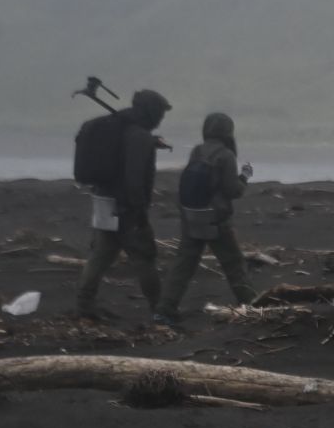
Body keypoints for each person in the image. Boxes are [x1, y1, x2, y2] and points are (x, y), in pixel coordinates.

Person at [75, 89, 171, 320]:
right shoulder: (138, 136)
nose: (161, 118)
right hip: (127, 208)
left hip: (103, 199)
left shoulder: (118, 127)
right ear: (152, 112)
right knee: (144, 258)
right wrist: (139, 213)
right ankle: (159, 310)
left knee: (101, 254)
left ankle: (84, 306)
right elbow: (134, 178)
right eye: (160, 113)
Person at [156, 112, 259, 323]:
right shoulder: (226, 155)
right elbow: (233, 190)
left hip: (191, 215)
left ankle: (164, 309)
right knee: (233, 263)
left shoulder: (197, 150)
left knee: (184, 263)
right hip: (216, 219)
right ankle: (252, 307)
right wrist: (245, 176)